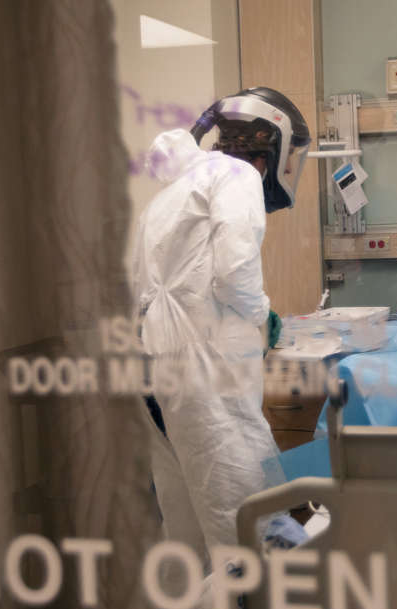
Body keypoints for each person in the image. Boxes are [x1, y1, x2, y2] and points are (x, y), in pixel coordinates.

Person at [129, 87, 310, 556]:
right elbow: (233, 272)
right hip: (202, 372)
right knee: (248, 522)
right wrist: (260, 313)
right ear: (273, 142)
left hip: (155, 371)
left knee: (188, 523)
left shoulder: (174, 190)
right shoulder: (236, 175)